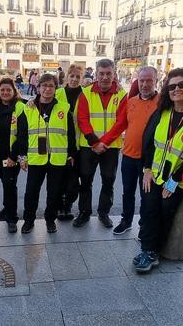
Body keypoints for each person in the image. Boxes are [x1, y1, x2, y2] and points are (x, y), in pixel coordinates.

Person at [134, 68, 183, 273]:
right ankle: (147, 248)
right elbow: (149, 142)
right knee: (149, 207)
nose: (176, 89)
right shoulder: (162, 112)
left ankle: (154, 251)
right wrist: (146, 168)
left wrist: (173, 182)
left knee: (165, 209)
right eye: (171, 86)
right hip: (153, 173)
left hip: (177, 179)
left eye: (181, 85)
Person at [14, 73, 76, 233]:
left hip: (57, 158)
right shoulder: (28, 108)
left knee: (54, 193)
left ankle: (50, 220)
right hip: (36, 157)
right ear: (39, 87)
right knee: (31, 192)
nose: (47, 89)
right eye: (44, 85)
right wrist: (22, 157)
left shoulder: (63, 108)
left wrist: (71, 153)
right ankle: (28, 221)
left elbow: (70, 133)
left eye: (51, 86)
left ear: (56, 89)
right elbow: (21, 135)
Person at [73, 58, 128, 228]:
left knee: (108, 180)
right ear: (96, 74)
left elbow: (121, 122)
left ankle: (104, 213)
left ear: (114, 74)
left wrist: (103, 143)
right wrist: (94, 142)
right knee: (86, 180)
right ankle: (84, 212)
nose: (105, 77)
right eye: (101, 74)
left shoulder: (121, 94)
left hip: (110, 147)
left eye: (108, 74)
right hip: (89, 146)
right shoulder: (86, 92)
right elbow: (82, 119)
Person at [109, 66, 160, 235]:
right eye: (141, 80)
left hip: (150, 160)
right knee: (127, 191)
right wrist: (104, 142)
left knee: (147, 195)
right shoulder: (130, 102)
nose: (145, 84)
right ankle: (126, 220)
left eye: (149, 81)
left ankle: (144, 225)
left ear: (156, 81)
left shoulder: (162, 104)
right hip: (129, 156)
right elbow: (120, 125)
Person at [0, 78, 25, 232]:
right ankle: (7, 209)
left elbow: (22, 135)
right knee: (5, 182)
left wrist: (14, 157)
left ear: (14, 91)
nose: (5, 92)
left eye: (8, 90)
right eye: (2, 90)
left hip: (11, 155)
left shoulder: (20, 107)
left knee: (9, 183)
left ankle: (12, 218)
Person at [55, 64, 84, 221]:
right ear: (66, 77)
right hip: (61, 144)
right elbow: (44, 100)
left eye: (77, 77)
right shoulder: (59, 93)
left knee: (74, 181)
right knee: (60, 178)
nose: (74, 79)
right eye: (71, 76)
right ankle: (61, 207)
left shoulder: (86, 94)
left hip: (80, 145)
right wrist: (33, 101)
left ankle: (69, 205)